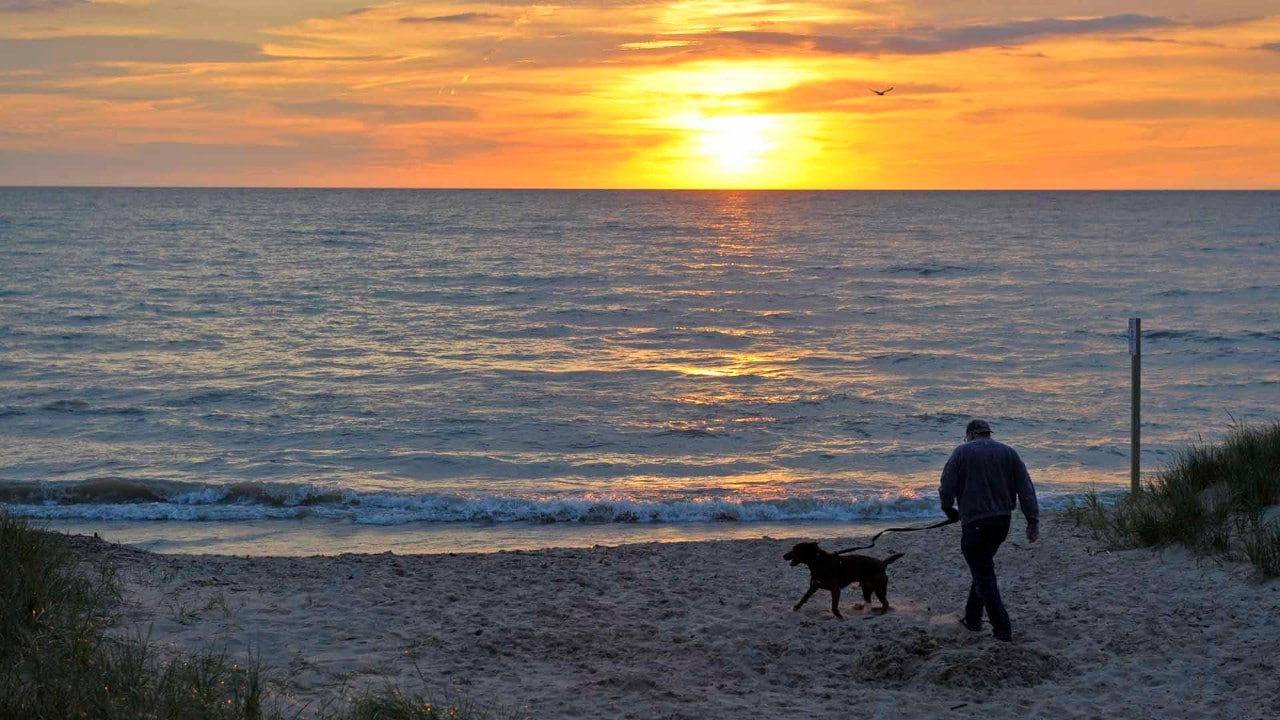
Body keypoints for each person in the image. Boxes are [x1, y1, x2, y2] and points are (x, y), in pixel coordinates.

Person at [939, 418, 1039, 642]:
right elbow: (1026, 489)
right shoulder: (1009, 452)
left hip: (974, 522)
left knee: (984, 575)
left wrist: (948, 509)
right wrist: (1032, 521)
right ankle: (973, 619)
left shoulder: (962, 452)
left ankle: (1002, 628)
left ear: (971, 434)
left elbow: (947, 486)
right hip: (1002, 522)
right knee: (982, 568)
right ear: (987, 433)